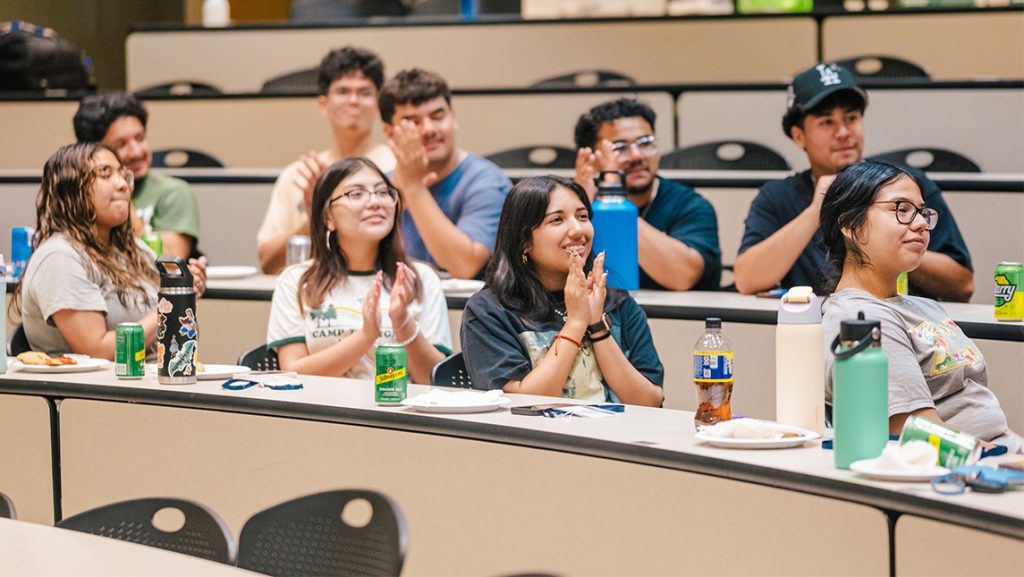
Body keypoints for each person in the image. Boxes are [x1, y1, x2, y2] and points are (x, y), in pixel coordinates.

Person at [820, 160, 1019, 450]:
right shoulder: (860, 319)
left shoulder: (925, 306)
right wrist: (1005, 462)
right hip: (961, 472)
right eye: (901, 210)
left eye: (923, 212)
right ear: (850, 224)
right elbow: (916, 432)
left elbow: (986, 417)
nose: (922, 223)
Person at [734, 63, 973, 301]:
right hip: (816, 326)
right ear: (799, 136)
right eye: (827, 122)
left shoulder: (906, 185)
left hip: (902, 323)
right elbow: (746, 280)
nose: (843, 132)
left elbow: (962, 285)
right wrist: (816, 211)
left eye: (851, 118)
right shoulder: (777, 196)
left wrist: (890, 244)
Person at [461, 176, 664, 405]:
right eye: (557, 220)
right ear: (524, 240)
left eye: (582, 216)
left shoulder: (618, 303)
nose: (577, 230)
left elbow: (650, 402)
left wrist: (597, 325)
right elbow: (523, 404)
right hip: (537, 440)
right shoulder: (489, 311)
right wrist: (576, 323)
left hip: (616, 437)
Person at [266, 157, 451, 383]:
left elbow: (434, 380)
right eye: (356, 194)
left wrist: (403, 323)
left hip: (400, 413)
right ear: (327, 217)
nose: (375, 202)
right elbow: (292, 373)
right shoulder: (296, 281)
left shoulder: (420, 278)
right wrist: (365, 337)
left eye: (384, 192)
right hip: (319, 413)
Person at [17, 142, 207, 358]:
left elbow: (183, 343)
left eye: (123, 175)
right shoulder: (60, 257)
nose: (123, 185)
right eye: (105, 174)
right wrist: (171, 305)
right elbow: (97, 349)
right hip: (98, 389)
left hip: (156, 381)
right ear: (72, 188)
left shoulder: (134, 249)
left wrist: (184, 297)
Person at [257, 46, 397, 273]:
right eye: (343, 91)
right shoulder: (299, 174)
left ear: (379, 104)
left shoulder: (398, 168)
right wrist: (314, 217)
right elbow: (268, 263)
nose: (353, 100)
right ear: (324, 103)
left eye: (364, 92)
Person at [573, 98, 722, 291]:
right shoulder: (577, 209)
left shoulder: (690, 205)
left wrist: (613, 198)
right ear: (591, 159)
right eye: (620, 147)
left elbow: (683, 277)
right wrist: (579, 208)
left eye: (645, 143)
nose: (637, 156)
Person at [380, 68, 511, 279]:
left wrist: (413, 187)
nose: (429, 129)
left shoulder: (487, 182)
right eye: (413, 122)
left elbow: (464, 266)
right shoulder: (381, 186)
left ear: (453, 117)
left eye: (437, 116)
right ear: (389, 132)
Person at [74, 92, 202, 261]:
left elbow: (169, 264)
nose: (136, 152)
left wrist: (122, 196)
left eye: (140, 138)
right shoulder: (78, 196)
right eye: (120, 144)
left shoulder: (173, 192)